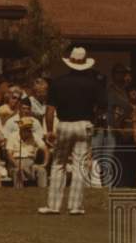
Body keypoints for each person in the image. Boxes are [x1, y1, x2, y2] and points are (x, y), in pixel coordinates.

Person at [38, 46, 107, 216]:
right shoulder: (94, 83)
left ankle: (53, 206)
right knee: (79, 165)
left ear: (70, 62)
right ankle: (75, 206)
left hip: (65, 124)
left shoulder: (58, 83)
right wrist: (95, 121)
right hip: (85, 124)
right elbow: (103, 107)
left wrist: (48, 130)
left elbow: (50, 110)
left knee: (58, 164)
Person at [6, 116, 50, 188]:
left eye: (30, 129)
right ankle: (19, 193)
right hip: (16, 162)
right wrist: (16, 164)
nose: (29, 131)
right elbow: (9, 154)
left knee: (41, 170)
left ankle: (42, 191)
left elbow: (45, 149)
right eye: (27, 129)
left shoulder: (35, 136)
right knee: (17, 171)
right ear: (21, 129)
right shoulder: (12, 136)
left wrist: (45, 163)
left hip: (30, 163)